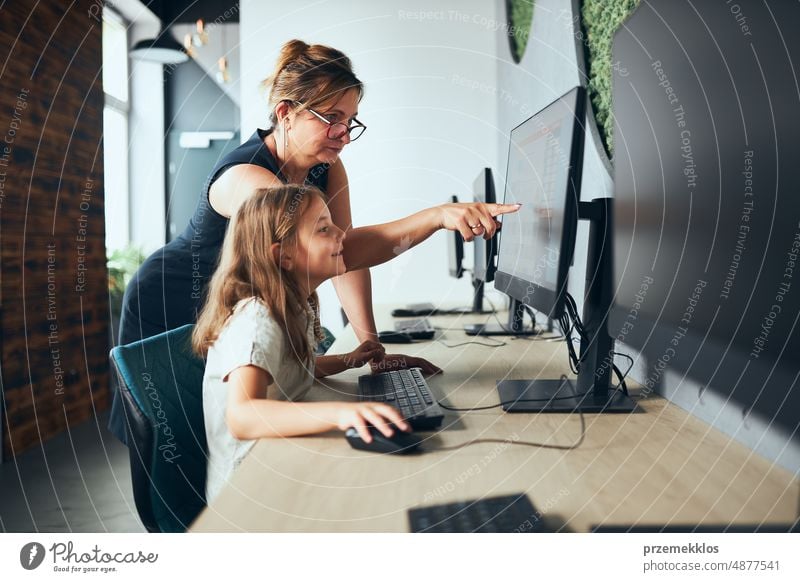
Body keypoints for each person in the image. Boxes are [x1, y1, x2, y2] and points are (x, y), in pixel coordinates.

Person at [113, 39, 519, 443]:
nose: (343, 133)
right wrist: (435, 218)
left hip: (240, 306)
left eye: (351, 120)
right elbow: (338, 250)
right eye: (331, 117)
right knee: (184, 439)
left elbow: (343, 252)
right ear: (286, 113)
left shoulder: (326, 167)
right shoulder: (250, 180)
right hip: (173, 299)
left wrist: (370, 346)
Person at [193, 185, 411, 502]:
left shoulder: (294, 304)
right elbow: (242, 416)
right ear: (284, 255)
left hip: (278, 457)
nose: (341, 234)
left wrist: (351, 359)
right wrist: (340, 414)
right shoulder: (257, 320)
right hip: (249, 488)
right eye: (324, 229)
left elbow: (288, 368)